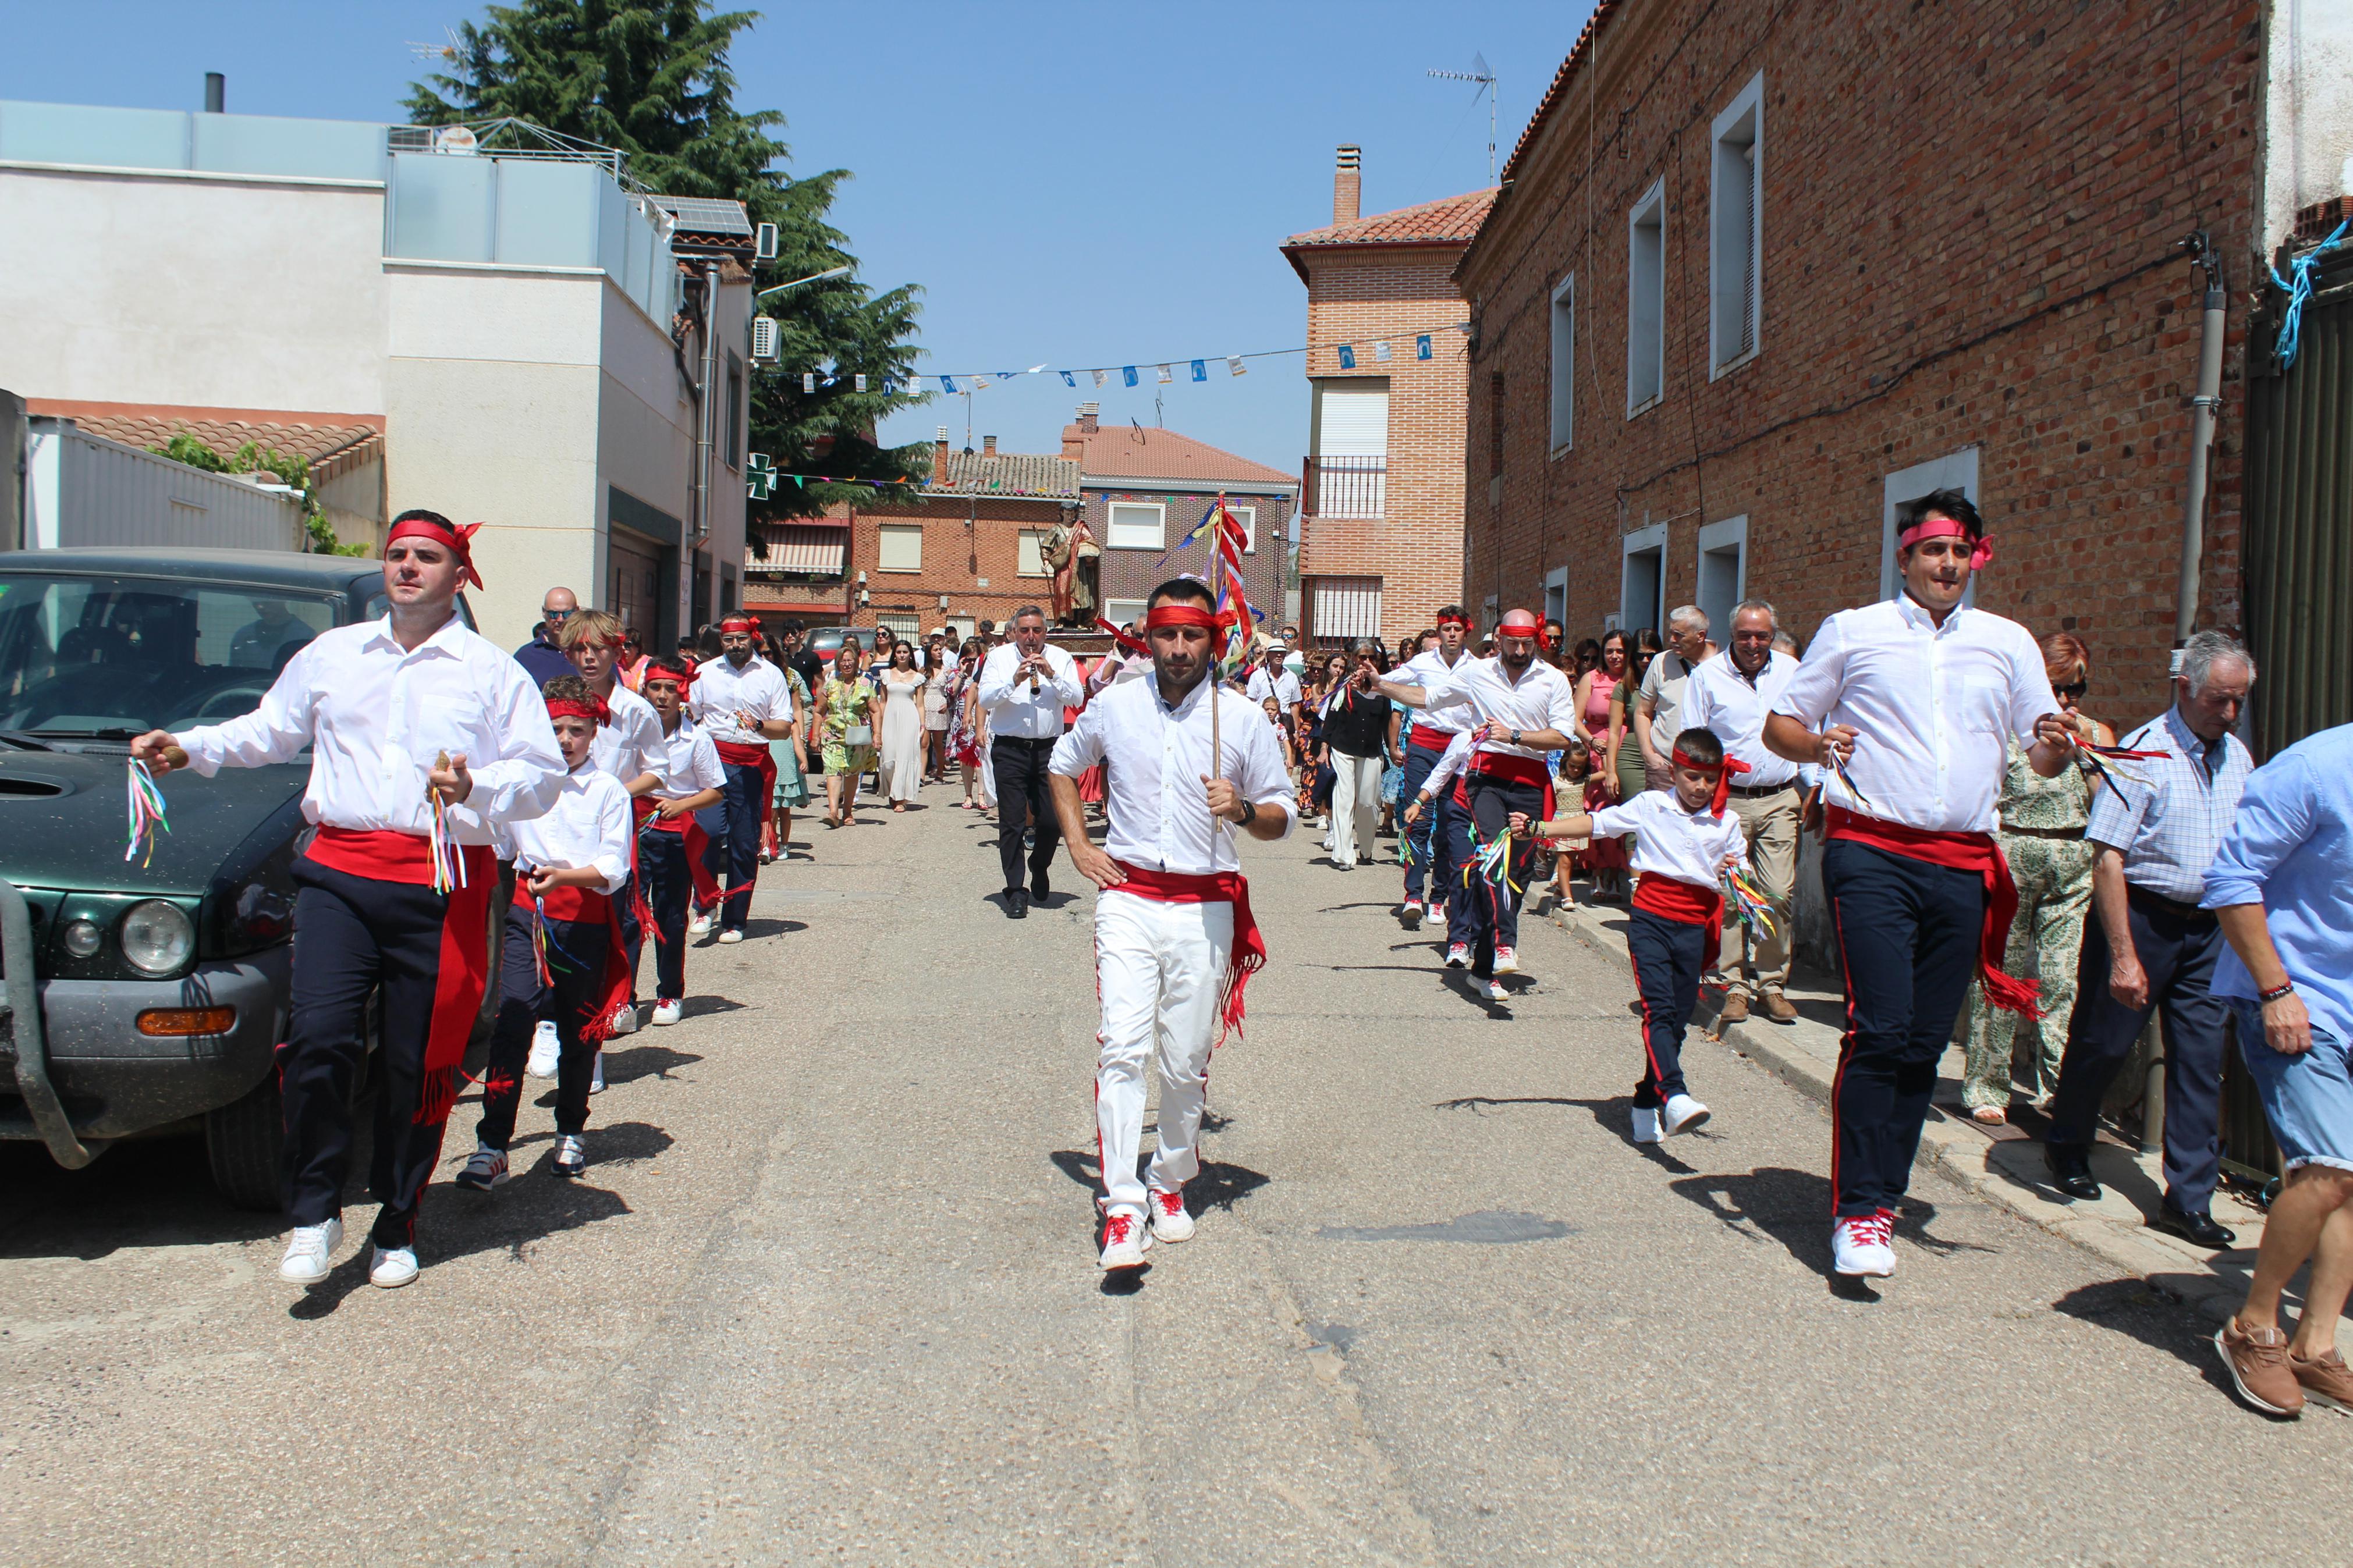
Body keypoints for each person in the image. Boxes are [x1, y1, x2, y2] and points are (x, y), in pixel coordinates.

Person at [132, 510, 566, 1290]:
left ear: (459, 574)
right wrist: (189, 745)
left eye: (426, 556)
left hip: (441, 882)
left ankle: (398, 1221)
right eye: (397, 553)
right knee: (321, 1044)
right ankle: (313, 1212)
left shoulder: (489, 670)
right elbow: (269, 731)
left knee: (413, 1063)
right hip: (338, 872)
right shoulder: (331, 654)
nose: (407, 566)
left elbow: (542, 778)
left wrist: (477, 784)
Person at [1764, 488, 2076, 1282]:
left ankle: (1884, 1194)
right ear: (1903, 555)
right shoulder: (1852, 629)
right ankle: (1857, 1208)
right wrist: (1816, 739)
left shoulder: (2005, 642)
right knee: (1878, 1027)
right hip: (1869, 850)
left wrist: (2056, 743)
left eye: (1959, 551)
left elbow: (2038, 752)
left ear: (1976, 556)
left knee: (1921, 1041)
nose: (1946, 564)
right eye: (1931, 550)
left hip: (1962, 860)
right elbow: (1780, 727)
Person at [1048, 576, 1294, 1271]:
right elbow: (1063, 766)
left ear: (1212, 640)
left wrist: (1243, 809)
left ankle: (1169, 1181)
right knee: (1122, 1048)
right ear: (1147, 636)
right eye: (1167, 634)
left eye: (1193, 635)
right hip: (1127, 897)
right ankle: (1122, 1204)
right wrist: (1077, 844)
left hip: (1204, 905)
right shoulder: (1114, 705)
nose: (1180, 648)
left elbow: (1283, 814)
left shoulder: (1241, 717)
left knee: (1184, 1061)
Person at [2042, 631, 2255, 1246]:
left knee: (2198, 1061)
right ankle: (2067, 1143)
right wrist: (2124, 957)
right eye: (2219, 700)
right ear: (2184, 689)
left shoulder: (2237, 757)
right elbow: (2107, 857)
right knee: (2103, 1043)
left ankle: (2187, 1199)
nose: (2230, 713)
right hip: (2139, 917)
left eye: (2238, 701)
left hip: (2207, 930)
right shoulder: (2141, 754)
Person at [2202, 717, 2353, 1418]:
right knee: (2329, 1172)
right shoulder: (2313, 769)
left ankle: (2312, 1346)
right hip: (2296, 998)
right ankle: (2251, 1327)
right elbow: (2231, 877)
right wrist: (2275, 990)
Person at [1521, 727, 1749, 1141]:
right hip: (1650, 919)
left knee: (1677, 1022)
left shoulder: (1727, 821)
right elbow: (1596, 823)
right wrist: (1539, 827)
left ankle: (1646, 1099)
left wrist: (1733, 871)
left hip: (1695, 927)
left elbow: (1742, 878)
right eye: (1691, 777)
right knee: (1658, 1010)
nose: (1700, 787)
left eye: (1709, 779)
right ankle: (1675, 1094)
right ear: (1674, 772)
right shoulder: (1651, 805)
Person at [458, 674, 633, 1189]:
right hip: (526, 915)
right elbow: (501, 846)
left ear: (593, 732)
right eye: (555, 728)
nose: (564, 740)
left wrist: (564, 875)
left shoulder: (606, 790)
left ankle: (570, 1129)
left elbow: (612, 868)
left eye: (576, 730)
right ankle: (492, 1144)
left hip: (581, 920)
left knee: (579, 1032)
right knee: (512, 1022)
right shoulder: (525, 785)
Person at [1370, 607, 1580, 999]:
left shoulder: (1552, 679)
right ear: (1498, 638)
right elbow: (1427, 698)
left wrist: (1516, 735)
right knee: (1492, 859)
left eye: (1526, 642)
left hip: (1530, 780)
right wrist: (1381, 686)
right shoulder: (1478, 671)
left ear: (1537, 640)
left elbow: (1563, 737)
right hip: (1484, 776)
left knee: (1517, 873)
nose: (1519, 650)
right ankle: (1504, 945)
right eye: (1512, 642)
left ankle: (1483, 969)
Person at [1954, 632, 2115, 1124]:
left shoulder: (2095, 732)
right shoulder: (2006, 731)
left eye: (2076, 690)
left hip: (2072, 856)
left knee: (2060, 977)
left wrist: (2088, 755)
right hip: (2012, 853)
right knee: (1999, 974)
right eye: (2057, 688)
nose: (2066, 700)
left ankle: (2055, 1087)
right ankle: (1987, 1084)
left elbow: (2109, 802)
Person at [1677, 600, 1804, 1026]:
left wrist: (1816, 787)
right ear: (1732, 635)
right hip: (1727, 800)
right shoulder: (1708, 676)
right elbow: (1691, 738)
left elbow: (1810, 724)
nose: (1753, 644)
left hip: (1780, 796)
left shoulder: (1790, 671)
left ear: (1772, 635)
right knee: (1732, 894)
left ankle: (1772, 984)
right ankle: (1734, 986)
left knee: (1776, 894)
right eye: (1745, 635)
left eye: (1762, 636)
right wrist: (1693, 797)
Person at [558, 609, 662, 1047]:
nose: (588, 657)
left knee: (620, 921)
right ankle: (557, 1017)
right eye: (579, 648)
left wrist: (616, 794)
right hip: (560, 831)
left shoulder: (635, 710)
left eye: (598, 648)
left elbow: (656, 771)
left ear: (617, 652)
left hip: (613, 833)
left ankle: (615, 1002)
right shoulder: (551, 705)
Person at [686, 613, 793, 944]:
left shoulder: (771, 675)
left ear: (753, 638)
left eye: (741, 639)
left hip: (749, 765)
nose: (735, 646)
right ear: (722, 641)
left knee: (743, 845)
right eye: (729, 640)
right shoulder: (704, 672)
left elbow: (784, 726)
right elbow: (692, 715)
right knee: (705, 831)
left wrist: (759, 726)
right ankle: (705, 905)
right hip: (710, 761)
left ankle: (735, 918)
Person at [633, 656, 725, 1026]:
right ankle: (622, 997)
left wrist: (681, 804)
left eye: (671, 689)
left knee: (670, 918)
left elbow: (716, 790)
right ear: (644, 690)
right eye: (656, 687)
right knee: (628, 917)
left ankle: (670, 993)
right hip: (634, 832)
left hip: (674, 836)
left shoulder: (696, 738)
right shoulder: (631, 732)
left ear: (682, 694)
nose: (662, 696)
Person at [977, 605, 1084, 918]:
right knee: (1011, 821)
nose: (1031, 637)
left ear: (1045, 633)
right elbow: (985, 700)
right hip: (1010, 748)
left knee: (1052, 820)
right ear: (1014, 632)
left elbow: (1076, 698)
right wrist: (1014, 680)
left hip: (1048, 749)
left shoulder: (1060, 657)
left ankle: (1039, 864)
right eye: (1025, 631)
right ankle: (1015, 890)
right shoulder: (999, 658)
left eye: (1037, 631)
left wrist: (1051, 674)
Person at [1395, 609, 1476, 930]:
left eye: (1457, 628)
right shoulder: (1423, 662)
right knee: (1420, 820)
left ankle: (1438, 897)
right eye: (1446, 628)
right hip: (1424, 747)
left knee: (1449, 825)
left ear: (1466, 632)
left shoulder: (1478, 668)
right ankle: (1414, 895)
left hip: (1459, 750)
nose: (1452, 634)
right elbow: (1391, 681)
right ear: (1439, 633)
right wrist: (1368, 682)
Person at [1321, 639, 1395, 871]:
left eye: (1372, 658)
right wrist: (1324, 748)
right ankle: (1344, 855)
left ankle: (1365, 848)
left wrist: (1392, 751)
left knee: (1368, 803)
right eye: (1362, 657)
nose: (1367, 662)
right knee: (1343, 800)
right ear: (1354, 660)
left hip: (1372, 752)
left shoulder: (1384, 689)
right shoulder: (1343, 688)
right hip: (1343, 749)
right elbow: (1330, 720)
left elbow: (1388, 723)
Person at [1576, 630, 1632, 899]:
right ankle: (1598, 876)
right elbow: (1574, 719)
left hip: (1628, 753)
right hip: (1597, 752)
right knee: (1600, 810)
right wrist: (1590, 741)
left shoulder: (1634, 680)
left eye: (1620, 651)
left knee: (1623, 811)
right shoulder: (1592, 679)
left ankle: (1615, 877)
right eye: (1610, 650)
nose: (1614, 656)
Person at [1634, 606, 1711, 794]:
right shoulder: (1660, 662)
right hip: (1664, 768)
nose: (1671, 640)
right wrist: (1648, 754)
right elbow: (1643, 711)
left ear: (1700, 636)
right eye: (1671, 633)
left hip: (1707, 773)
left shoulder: (1722, 666)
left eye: (1679, 635)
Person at [814, 641, 878, 829]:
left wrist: (878, 734)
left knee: (851, 773)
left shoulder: (866, 684)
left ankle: (848, 812)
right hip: (832, 734)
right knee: (833, 771)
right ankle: (833, 812)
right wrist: (816, 736)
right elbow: (819, 711)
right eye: (843, 661)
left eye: (850, 660)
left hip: (856, 736)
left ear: (856, 662)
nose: (847, 664)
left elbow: (875, 711)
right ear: (838, 663)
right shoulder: (831, 685)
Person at [762, 655, 812, 862]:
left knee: (785, 811)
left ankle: (784, 844)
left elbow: (798, 744)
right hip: (770, 768)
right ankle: (767, 844)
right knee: (771, 809)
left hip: (787, 770)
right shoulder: (765, 723)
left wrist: (804, 760)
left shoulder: (791, 723)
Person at [1609, 630, 1662, 810]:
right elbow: (1614, 732)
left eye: (1651, 655)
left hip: (1664, 755)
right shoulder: (1625, 687)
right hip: (1631, 759)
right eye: (1640, 655)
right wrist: (1610, 771)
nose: (1646, 661)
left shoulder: (1670, 683)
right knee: (1636, 817)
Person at [877, 641, 926, 810]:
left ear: (910, 654)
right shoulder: (886, 675)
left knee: (906, 756)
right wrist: (879, 723)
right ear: (895, 655)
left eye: (905, 652)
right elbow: (882, 702)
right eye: (899, 652)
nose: (902, 655)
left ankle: (902, 798)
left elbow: (920, 704)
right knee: (889, 759)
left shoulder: (917, 677)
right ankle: (892, 790)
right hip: (890, 717)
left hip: (909, 717)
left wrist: (922, 724)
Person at [945, 637, 986, 808]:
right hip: (962, 721)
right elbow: (951, 691)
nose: (970, 662)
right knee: (966, 761)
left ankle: (981, 795)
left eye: (973, 659)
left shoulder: (985, 674)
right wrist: (962, 672)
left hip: (981, 720)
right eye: (967, 659)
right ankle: (968, 795)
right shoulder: (956, 675)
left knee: (981, 759)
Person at [514, 586, 578, 687]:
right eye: (554, 614)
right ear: (544, 612)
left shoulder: (589, 652)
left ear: (577, 612)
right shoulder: (525, 656)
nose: (560, 619)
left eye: (567, 614)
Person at [229, 598, 317, 670]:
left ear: (283, 600)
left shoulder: (305, 636)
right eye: (255, 602)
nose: (260, 607)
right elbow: (234, 675)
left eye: (266, 601)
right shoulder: (244, 636)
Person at [921, 642, 953, 781]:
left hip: (940, 706)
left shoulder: (947, 671)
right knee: (924, 744)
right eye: (936, 650)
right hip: (926, 706)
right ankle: (921, 776)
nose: (939, 652)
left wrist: (948, 703)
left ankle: (940, 773)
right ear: (930, 653)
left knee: (938, 744)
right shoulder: (923, 670)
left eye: (940, 649)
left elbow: (952, 692)